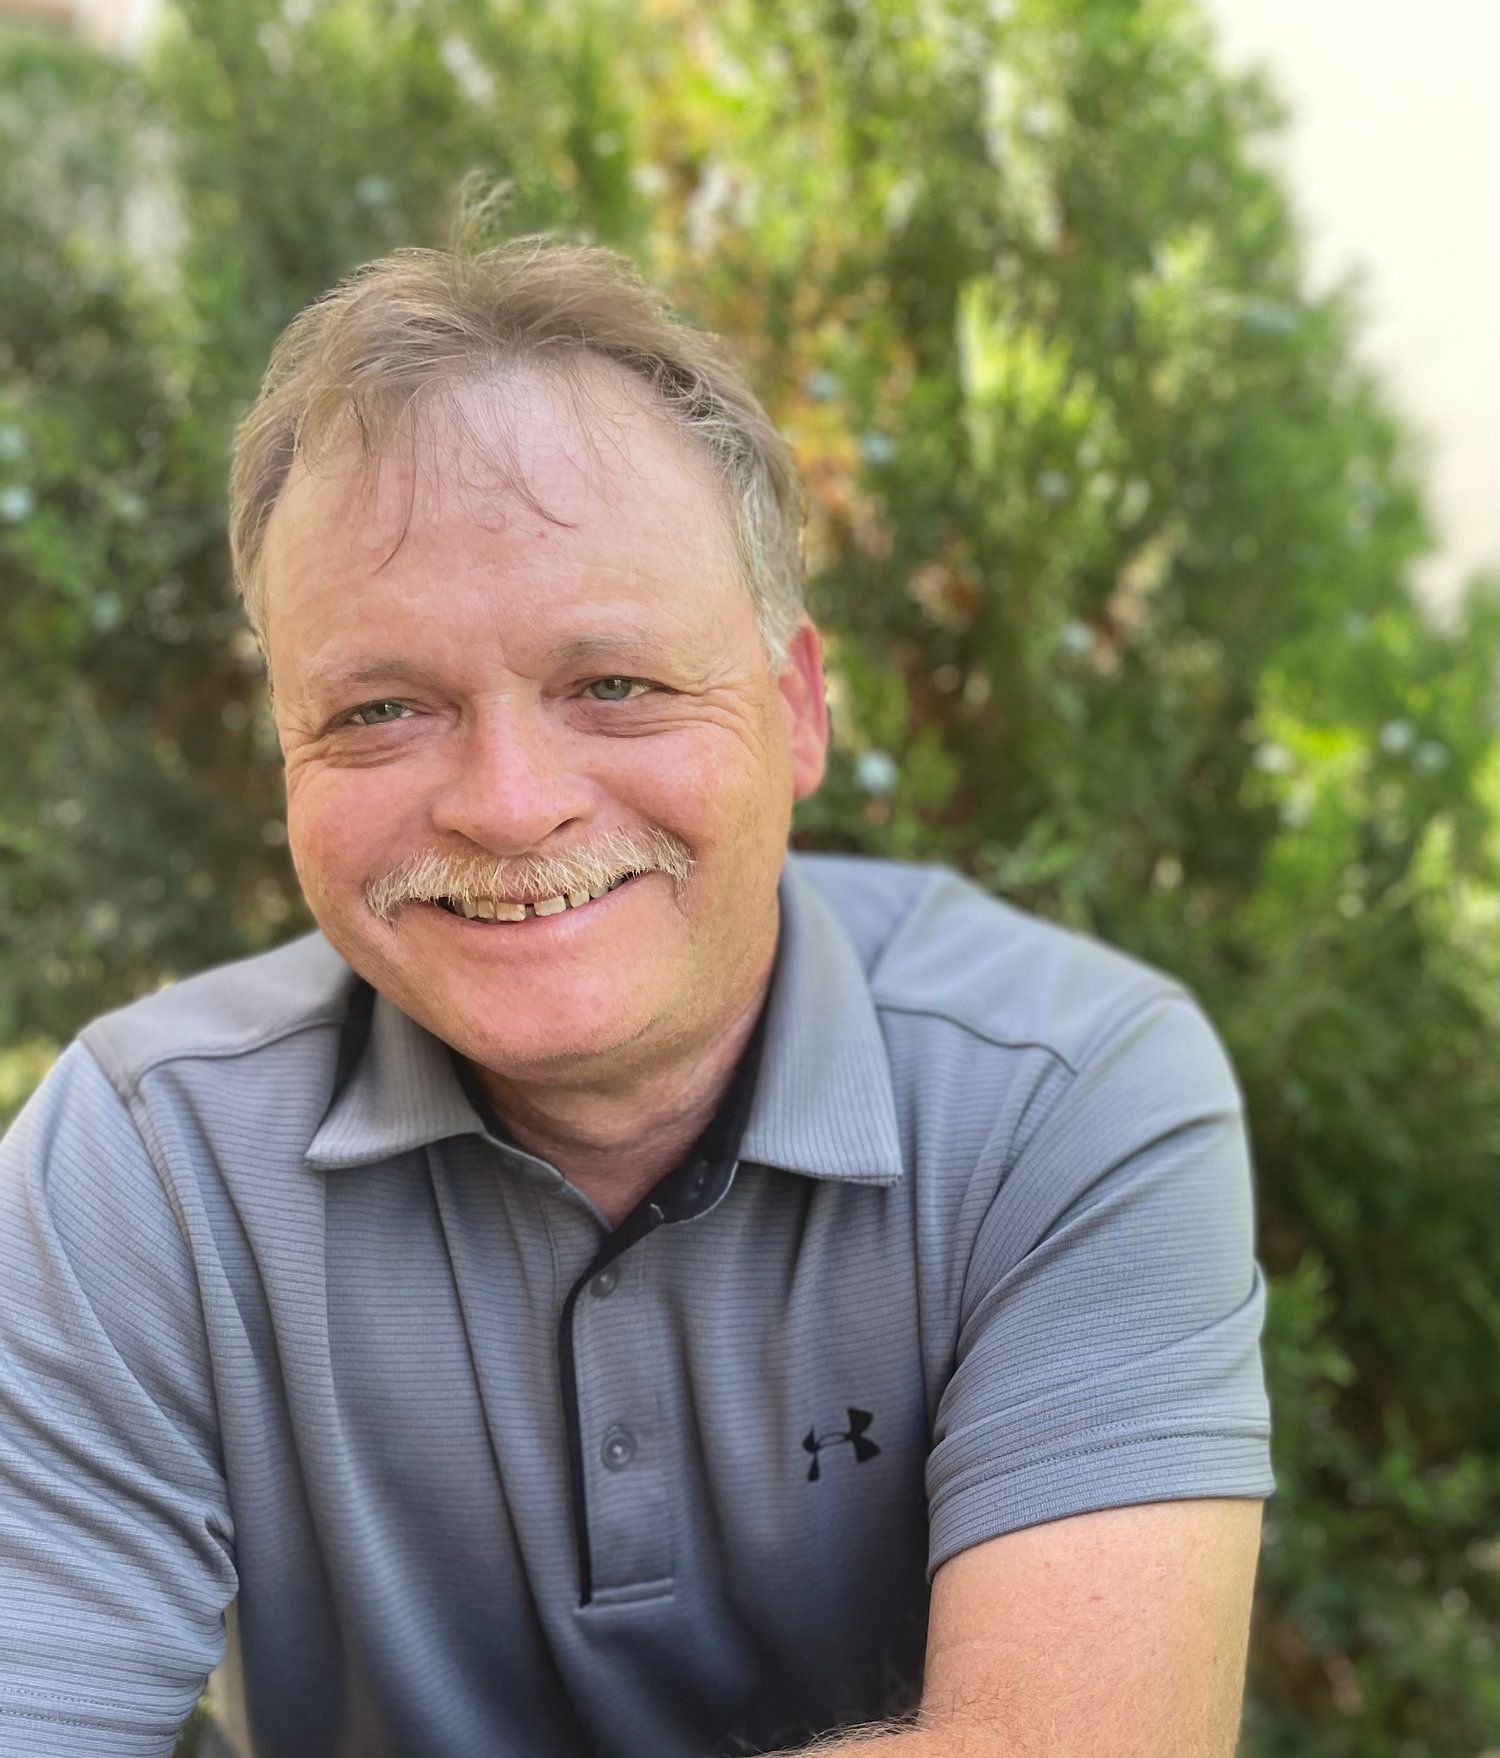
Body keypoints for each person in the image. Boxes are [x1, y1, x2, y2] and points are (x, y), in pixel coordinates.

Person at [0, 235, 1274, 1758]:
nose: (511, 804)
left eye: (614, 682)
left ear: (795, 708)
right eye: (382, 708)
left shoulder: (1068, 1090)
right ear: (286, 752)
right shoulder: (143, 1165)